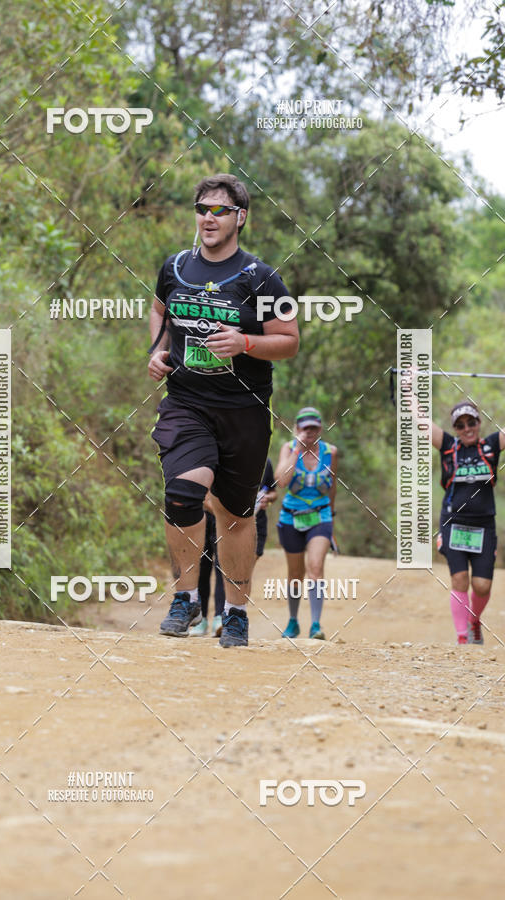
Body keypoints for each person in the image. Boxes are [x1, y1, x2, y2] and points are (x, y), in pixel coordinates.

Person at [148, 173, 299, 647]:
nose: (208, 218)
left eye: (220, 210)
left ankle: (235, 611)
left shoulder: (261, 277)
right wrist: (157, 350)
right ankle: (186, 598)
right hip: (187, 403)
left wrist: (245, 342)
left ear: (241, 218)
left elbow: (290, 341)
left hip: (244, 412)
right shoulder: (174, 267)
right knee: (181, 493)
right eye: (202, 209)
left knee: (236, 517)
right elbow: (159, 310)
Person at [432, 400, 504, 644]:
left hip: (484, 526)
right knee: (459, 579)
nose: (467, 428)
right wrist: (409, 388)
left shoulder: (491, 446)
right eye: (460, 425)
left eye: (471, 422)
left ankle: (474, 621)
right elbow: (421, 423)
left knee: (482, 586)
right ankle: (462, 638)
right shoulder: (449, 447)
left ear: (479, 423)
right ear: (455, 429)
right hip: (453, 522)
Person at [275, 407, 338, 639]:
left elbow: (333, 486)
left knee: (315, 568)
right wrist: (297, 450)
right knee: (295, 574)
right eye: (304, 427)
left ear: (320, 428)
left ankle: (315, 625)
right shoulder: (288, 449)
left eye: (314, 427)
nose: (309, 432)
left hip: (320, 517)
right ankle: (293, 621)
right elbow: (281, 482)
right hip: (290, 517)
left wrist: (332, 519)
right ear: (297, 429)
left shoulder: (331, 452)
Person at [190, 493, 225, 637]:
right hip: (202, 517)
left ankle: (219, 617)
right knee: (201, 569)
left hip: (222, 520)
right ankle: (201, 620)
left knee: (222, 567)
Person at [254, 457, 278, 564]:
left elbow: (273, 492)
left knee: (251, 561)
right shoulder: (226, 453)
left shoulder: (266, 461)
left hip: (258, 521)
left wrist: (267, 499)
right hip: (230, 522)